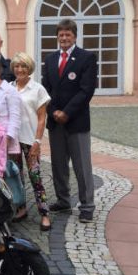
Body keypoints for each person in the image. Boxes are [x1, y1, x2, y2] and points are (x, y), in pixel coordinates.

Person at [41, 19, 98, 223]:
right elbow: (45, 89)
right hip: (56, 122)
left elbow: (86, 90)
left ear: (74, 36)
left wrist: (67, 112)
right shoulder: (50, 59)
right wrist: (54, 110)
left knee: (82, 166)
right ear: (57, 37)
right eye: (61, 35)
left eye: (68, 35)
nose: (64, 38)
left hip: (76, 122)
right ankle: (63, 200)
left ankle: (87, 206)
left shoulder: (86, 58)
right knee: (59, 165)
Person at [11, 52, 52, 231]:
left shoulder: (38, 89)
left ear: (30, 69)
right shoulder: (9, 88)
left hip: (30, 140)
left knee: (35, 177)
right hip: (13, 141)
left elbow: (42, 118)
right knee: (16, 177)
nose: (20, 69)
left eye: (24, 66)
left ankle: (44, 213)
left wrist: (37, 141)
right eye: (17, 66)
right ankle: (21, 208)